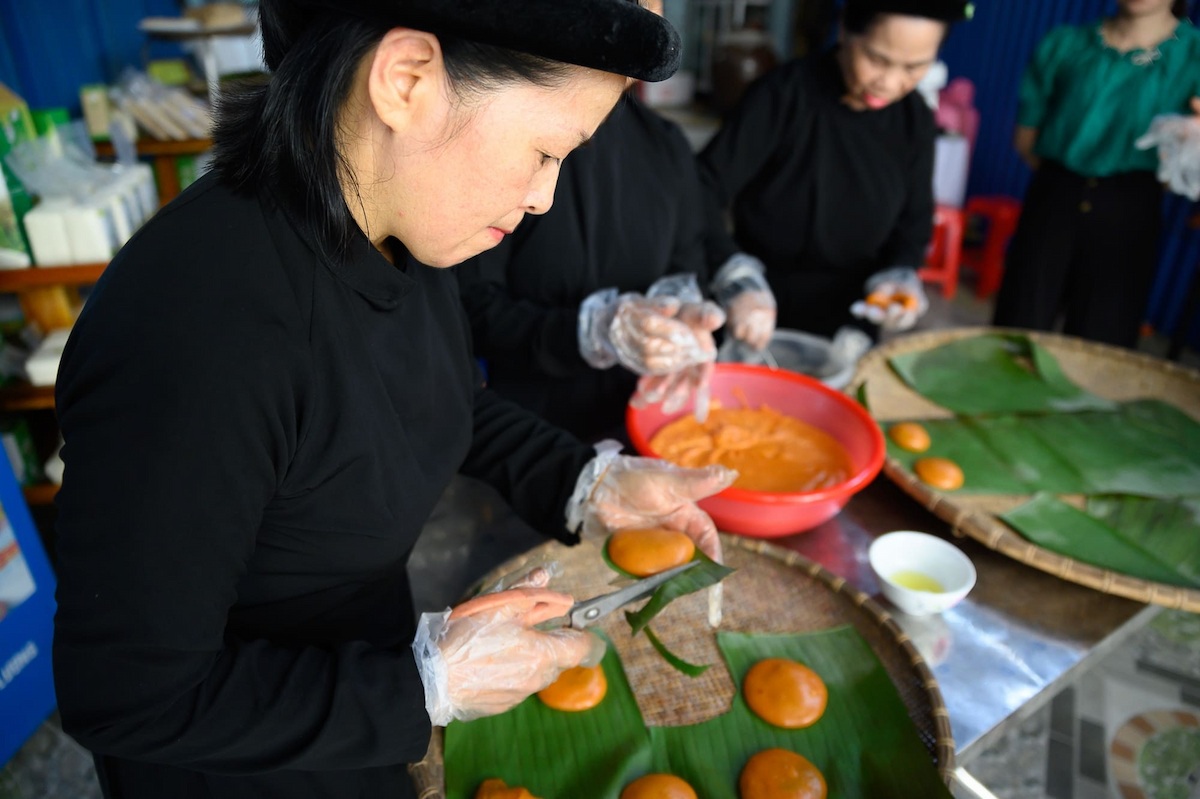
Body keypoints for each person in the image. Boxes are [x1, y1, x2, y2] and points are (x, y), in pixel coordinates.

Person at [49, 2, 737, 798]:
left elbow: (428, 400)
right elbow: (129, 694)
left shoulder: (392, 227)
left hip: (358, 694)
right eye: (547, 151)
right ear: (407, 80)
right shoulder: (199, 331)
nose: (546, 196)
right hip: (239, 766)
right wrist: (422, 686)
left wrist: (589, 482)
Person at [457, 0, 776, 443]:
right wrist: (590, 331)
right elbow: (466, 306)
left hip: (646, 417)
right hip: (521, 432)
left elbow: (687, 270)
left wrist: (683, 319)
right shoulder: (502, 137)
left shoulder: (667, 147)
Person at [697, 0, 973, 338]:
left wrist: (898, 275)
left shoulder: (914, 119)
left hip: (856, 313)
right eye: (877, 60)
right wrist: (734, 273)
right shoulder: (782, 95)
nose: (889, 82)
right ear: (845, 31)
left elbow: (914, 222)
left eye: (914, 67)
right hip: (758, 308)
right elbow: (700, 190)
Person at [991, 0, 1200, 349]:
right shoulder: (1065, 44)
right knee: (1017, 325)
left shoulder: (1192, 54)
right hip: (1054, 195)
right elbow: (1026, 138)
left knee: (1102, 338)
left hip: (1130, 209)